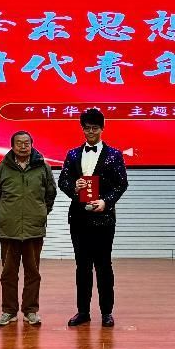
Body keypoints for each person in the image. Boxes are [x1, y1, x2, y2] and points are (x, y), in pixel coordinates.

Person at [58, 108, 129, 328]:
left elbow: (121, 184)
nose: (90, 132)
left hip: (104, 218)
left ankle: (107, 312)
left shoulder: (114, 154)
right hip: (78, 218)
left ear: (102, 129)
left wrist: (106, 202)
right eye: (87, 128)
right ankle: (83, 312)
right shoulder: (72, 154)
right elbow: (62, 182)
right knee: (82, 266)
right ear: (82, 129)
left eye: (95, 128)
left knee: (104, 265)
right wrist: (74, 186)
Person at [0, 130, 57, 327]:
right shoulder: (2, 167)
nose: (22, 146)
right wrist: (8, 212)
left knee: (33, 273)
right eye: (19, 143)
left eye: (26, 143)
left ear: (31, 145)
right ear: (12, 146)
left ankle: (30, 311)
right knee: (8, 274)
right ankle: (9, 311)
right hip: (9, 229)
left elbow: (51, 193)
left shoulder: (42, 166)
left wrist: (40, 212)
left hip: (33, 228)